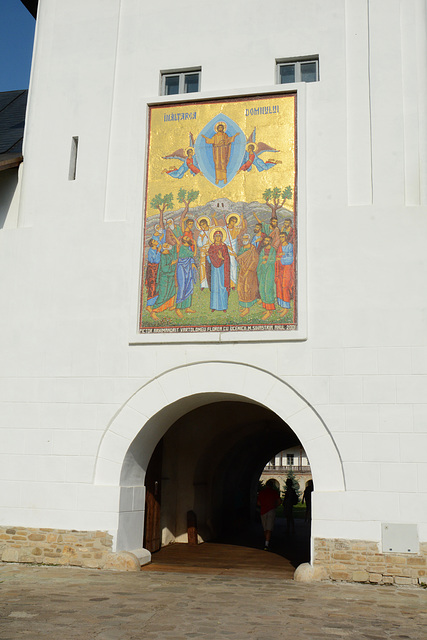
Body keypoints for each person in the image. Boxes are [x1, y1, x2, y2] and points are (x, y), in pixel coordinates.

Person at [150, 243, 177, 320]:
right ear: (164, 248)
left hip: (170, 276)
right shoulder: (163, 256)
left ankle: (169, 305)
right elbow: (164, 268)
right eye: (166, 245)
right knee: (162, 294)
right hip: (164, 277)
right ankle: (153, 311)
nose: (168, 245)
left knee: (171, 291)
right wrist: (171, 264)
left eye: (168, 244)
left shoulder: (170, 254)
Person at [206, 229, 230, 312]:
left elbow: (227, 258)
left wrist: (221, 258)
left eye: (219, 236)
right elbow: (209, 258)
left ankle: (223, 306)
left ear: (221, 237)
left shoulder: (224, 246)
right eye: (216, 236)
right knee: (215, 286)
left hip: (222, 268)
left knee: (222, 286)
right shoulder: (212, 247)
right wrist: (208, 256)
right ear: (214, 237)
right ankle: (214, 306)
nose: (218, 238)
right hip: (214, 269)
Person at [237, 234, 259, 317]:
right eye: (243, 238)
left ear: (249, 239)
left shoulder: (252, 248)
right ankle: (244, 306)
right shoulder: (242, 248)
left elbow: (255, 259)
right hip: (242, 270)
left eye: (246, 238)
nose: (244, 240)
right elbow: (239, 258)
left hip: (250, 271)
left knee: (247, 287)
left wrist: (249, 269)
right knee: (241, 287)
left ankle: (247, 309)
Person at [175, 236, 197, 318]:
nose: (190, 238)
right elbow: (193, 254)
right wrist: (195, 246)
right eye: (187, 238)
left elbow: (191, 258)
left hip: (188, 268)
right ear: (185, 241)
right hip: (182, 268)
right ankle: (178, 308)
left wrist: (193, 263)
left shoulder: (188, 247)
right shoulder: (183, 248)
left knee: (189, 286)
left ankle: (187, 307)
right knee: (182, 287)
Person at [223, 213, 246, 289]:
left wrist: (242, 219)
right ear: (229, 221)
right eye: (232, 221)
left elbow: (243, 228)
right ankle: (226, 283)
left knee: (233, 265)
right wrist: (228, 248)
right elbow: (223, 240)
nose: (234, 223)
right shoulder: (224, 229)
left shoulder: (236, 229)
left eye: (235, 221)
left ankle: (233, 283)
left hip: (234, 249)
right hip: (226, 249)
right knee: (226, 265)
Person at [257, 479, 281, 550]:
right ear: (272, 486)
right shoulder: (274, 492)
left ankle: (266, 541)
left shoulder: (261, 492)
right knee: (269, 528)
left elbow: (258, 503)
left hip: (263, 511)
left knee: (265, 528)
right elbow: (279, 501)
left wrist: (263, 505)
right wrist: (275, 505)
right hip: (271, 510)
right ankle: (266, 544)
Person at [275, 231, 294, 318]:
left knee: (285, 286)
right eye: (280, 237)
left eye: (283, 236)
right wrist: (278, 258)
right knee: (279, 286)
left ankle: (286, 308)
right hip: (280, 269)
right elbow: (277, 257)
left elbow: (291, 258)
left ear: (286, 237)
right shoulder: (280, 246)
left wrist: (283, 256)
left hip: (287, 268)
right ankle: (283, 306)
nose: (281, 238)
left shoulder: (290, 246)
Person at [257, 236, 277, 320]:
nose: (265, 241)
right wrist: (262, 261)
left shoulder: (272, 250)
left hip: (270, 271)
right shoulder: (263, 250)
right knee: (262, 288)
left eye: (267, 240)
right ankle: (266, 308)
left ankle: (270, 310)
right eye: (265, 240)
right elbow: (260, 259)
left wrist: (267, 260)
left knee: (268, 289)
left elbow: (273, 260)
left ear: (270, 242)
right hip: (263, 270)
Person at [145, 238, 161, 313]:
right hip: (152, 270)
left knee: (157, 285)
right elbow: (155, 260)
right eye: (154, 241)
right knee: (152, 286)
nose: (156, 241)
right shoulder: (151, 251)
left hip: (157, 269)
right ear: (152, 244)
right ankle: (148, 305)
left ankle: (154, 304)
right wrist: (159, 252)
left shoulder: (157, 248)